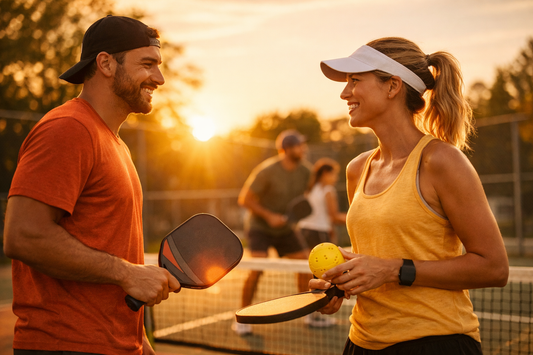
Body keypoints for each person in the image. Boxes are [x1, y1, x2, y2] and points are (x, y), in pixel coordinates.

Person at [310, 37, 509, 354]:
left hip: (435, 343)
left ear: (392, 86)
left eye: (355, 81)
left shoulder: (442, 161)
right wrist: (341, 281)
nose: (344, 93)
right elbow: (377, 253)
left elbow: (494, 267)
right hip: (361, 342)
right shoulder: (356, 169)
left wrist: (390, 269)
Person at [3, 16, 181, 355]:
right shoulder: (68, 128)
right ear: (106, 64)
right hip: (66, 344)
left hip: (115, 344)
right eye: (148, 64)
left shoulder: (113, 142)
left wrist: (139, 343)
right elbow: (22, 234)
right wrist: (127, 274)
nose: (159, 78)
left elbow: (111, 244)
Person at [232, 129, 312, 335]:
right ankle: (242, 317)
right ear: (286, 149)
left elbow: (307, 197)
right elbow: (245, 199)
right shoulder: (266, 171)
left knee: (305, 264)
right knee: (258, 266)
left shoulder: (305, 171)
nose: (303, 149)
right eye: (298, 145)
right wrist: (269, 216)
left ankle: (307, 311)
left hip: (285, 229)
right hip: (260, 227)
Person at [299, 157, 347, 247]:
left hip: (303, 229)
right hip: (318, 232)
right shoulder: (328, 190)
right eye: (334, 174)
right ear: (325, 174)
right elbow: (334, 217)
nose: (336, 178)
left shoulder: (311, 189)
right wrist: (354, 219)